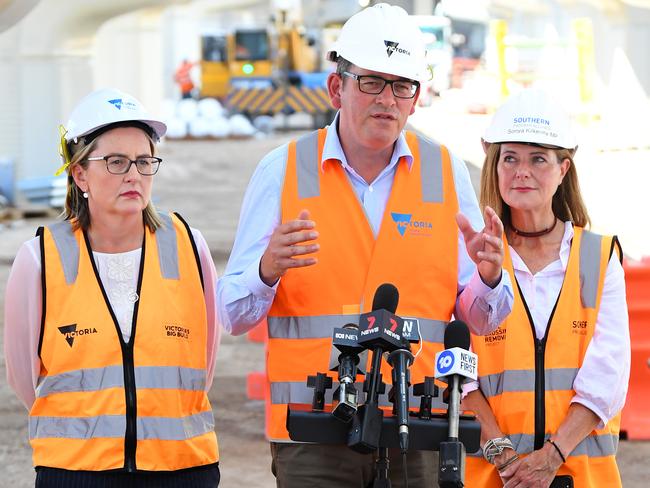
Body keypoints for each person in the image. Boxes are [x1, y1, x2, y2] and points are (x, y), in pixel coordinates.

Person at [218, 4, 514, 487]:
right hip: (312, 429)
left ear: (416, 98)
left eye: (402, 85)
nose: (388, 99)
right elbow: (232, 314)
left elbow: (479, 318)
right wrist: (265, 269)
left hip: (417, 421)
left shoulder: (445, 172)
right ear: (337, 88)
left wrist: (488, 279)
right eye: (372, 82)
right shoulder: (283, 170)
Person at [4, 88, 221, 487]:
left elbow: (203, 361)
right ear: (80, 173)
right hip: (76, 471)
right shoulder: (40, 258)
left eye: (143, 161)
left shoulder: (189, 246)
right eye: (116, 162)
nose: (134, 175)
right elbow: (22, 376)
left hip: (182, 468)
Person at [462, 88, 630, 487]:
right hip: (492, 477)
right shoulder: (476, 256)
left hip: (580, 474)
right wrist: (502, 455)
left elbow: (608, 373)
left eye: (538, 158)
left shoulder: (598, 256)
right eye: (510, 158)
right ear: (494, 166)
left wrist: (552, 456)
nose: (522, 171)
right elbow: (454, 371)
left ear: (563, 169)